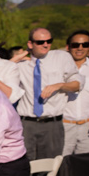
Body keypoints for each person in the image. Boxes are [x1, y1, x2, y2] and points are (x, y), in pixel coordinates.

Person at [15, 27, 81, 159]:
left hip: (52, 124)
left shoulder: (61, 57)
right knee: (24, 166)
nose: (45, 45)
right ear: (30, 44)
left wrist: (60, 85)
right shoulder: (20, 64)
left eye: (49, 41)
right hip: (26, 124)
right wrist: (19, 57)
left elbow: (77, 84)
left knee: (49, 168)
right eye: (40, 42)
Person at [61, 30, 89, 154]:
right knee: (60, 165)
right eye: (75, 45)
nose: (80, 48)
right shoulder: (59, 68)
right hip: (63, 126)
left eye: (85, 44)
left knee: (86, 167)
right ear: (68, 47)